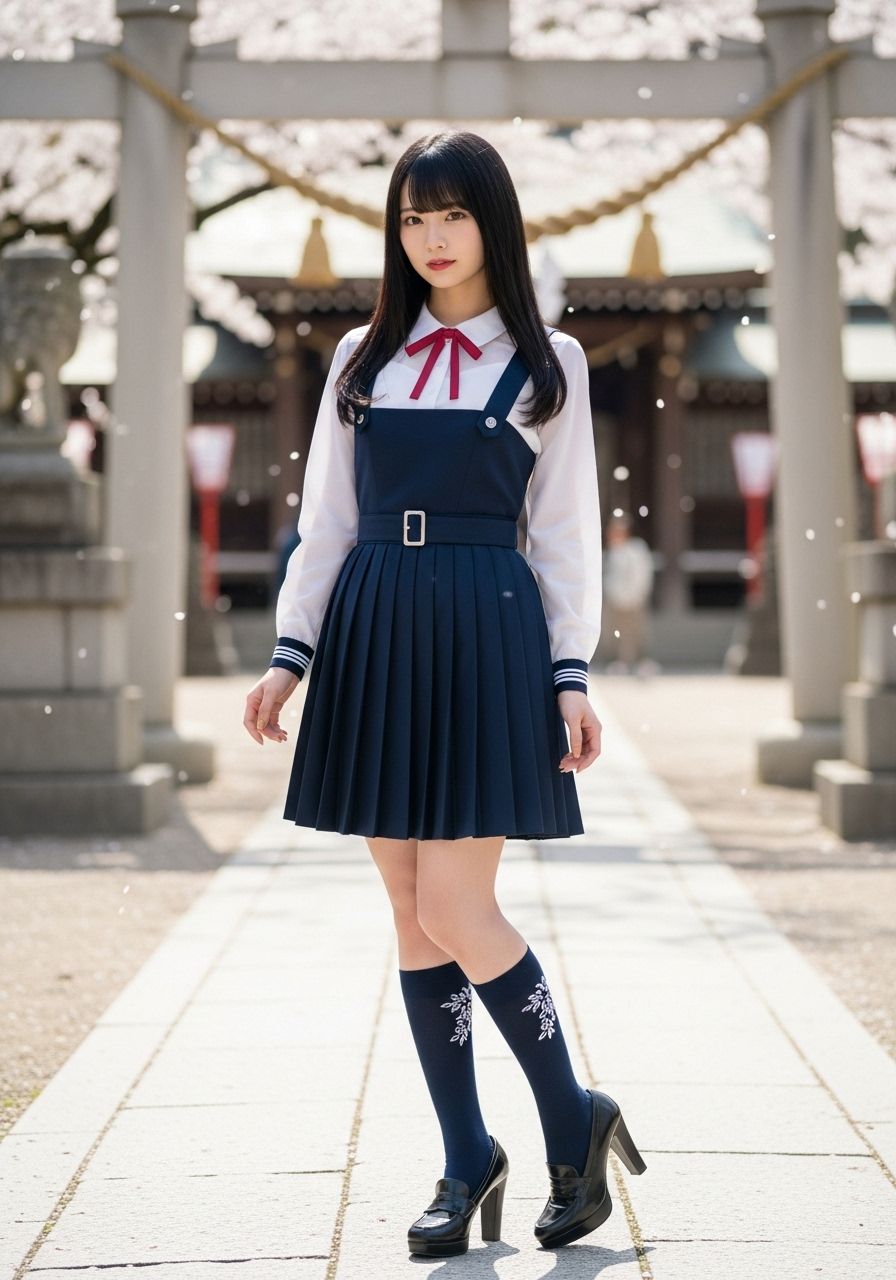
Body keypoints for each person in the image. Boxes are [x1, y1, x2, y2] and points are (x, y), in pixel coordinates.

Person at [243, 130, 646, 1257]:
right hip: (373, 616)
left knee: (455, 908)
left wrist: (571, 670)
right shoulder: (359, 360)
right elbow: (325, 521)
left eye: (452, 215)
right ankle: (465, 1152)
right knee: (409, 911)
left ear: (492, 224)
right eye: (414, 216)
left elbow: (563, 534)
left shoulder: (546, 357)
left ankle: (569, 1116)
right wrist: (292, 651)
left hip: (485, 625)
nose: (431, 237)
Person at [603, 513, 655, 674]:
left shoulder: (636, 548)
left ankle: (643, 662)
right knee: (616, 631)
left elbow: (642, 574)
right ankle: (619, 661)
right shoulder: (611, 551)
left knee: (638, 631)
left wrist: (638, 594)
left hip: (634, 598)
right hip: (615, 599)